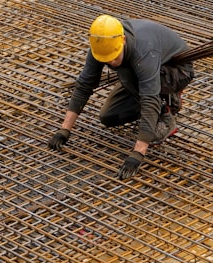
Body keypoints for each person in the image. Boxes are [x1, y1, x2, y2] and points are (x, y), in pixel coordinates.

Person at [48, 15, 194, 179]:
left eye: (114, 57)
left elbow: (149, 98)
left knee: (127, 73)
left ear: (123, 40)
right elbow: (84, 85)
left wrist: (138, 153)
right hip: (140, 73)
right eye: (106, 60)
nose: (110, 62)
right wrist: (64, 130)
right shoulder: (101, 45)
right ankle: (156, 102)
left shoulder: (143, 51)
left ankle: (166, 111)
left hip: (176, 71)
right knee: (109, 117)